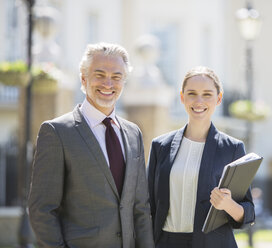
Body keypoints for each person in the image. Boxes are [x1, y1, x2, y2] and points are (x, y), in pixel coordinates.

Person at [28, 42, 154, 248]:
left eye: (116, 77)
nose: (108, 83)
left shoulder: (133, 133)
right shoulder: (56, 132)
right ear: (83, 78)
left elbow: (140, 207)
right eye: (100, 74)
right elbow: (42, 209)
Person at [147, 66, 255, 248]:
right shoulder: (160, 146)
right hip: (165, 242)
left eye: (207, 94)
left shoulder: (232, 149)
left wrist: (228, 204)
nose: (199, 101)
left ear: (218, 99)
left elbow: (248, 212)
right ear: (182, 97)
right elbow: (148, 204)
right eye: (192, 94)